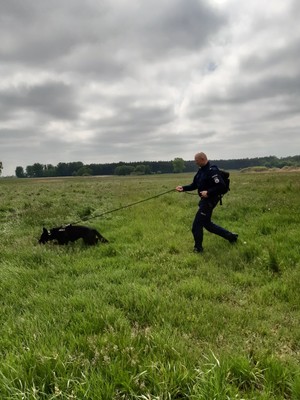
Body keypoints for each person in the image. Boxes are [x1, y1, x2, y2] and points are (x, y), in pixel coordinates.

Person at [176, 152, 238, 253]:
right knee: (207, 224)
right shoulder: (201, 171)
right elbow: (194, 185)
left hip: (210, 200)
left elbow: (221, 186)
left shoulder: (212, 170)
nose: (195, 163)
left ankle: (198, 249)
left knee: (197, 225)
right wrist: (183, 188)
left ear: (202, 159)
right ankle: (231, 237)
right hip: (204, 201)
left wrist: (208, 192)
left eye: (196, 161)